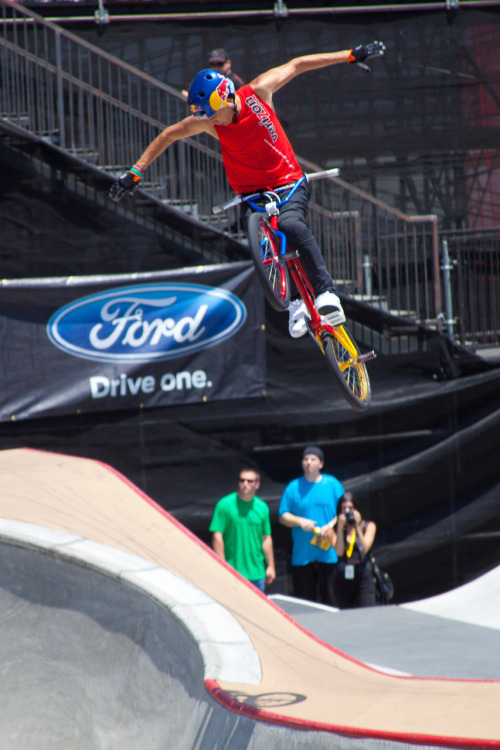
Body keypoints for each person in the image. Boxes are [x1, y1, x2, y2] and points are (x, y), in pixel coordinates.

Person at [109, 41, 386, 338]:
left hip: (289, 183)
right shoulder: (210, 122)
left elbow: (297, 64)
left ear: (227, 100)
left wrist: (348, 56)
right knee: (265, 248)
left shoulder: (259, 91)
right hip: (252, 195)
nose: (212, 124)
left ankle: (326, 293)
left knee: (291, 224)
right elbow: (168, 135)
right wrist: (135, 172)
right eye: (206, 118)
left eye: (214, 116)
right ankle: (295, 303)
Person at [278, 446, 344, 605]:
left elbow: (344, 511)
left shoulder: (332, 484)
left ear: (321, 464)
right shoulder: (293, 487)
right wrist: (300, 522)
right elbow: (282, 516)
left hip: (329, 553)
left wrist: (329, 527)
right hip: (302, 556)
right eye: (305, 459)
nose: (308, 462)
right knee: (306, 603)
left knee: (332, 601)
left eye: (313, 459)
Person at [209, 467, 276, 592]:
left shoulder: (263, 508)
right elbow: (217, 535)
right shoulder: (224, 505)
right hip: (232, 573)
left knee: (255, 610)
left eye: (250, 481)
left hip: (257, 575)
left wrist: (271, 566)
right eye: (242, 480)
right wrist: (222, 566)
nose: (245, 484)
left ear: (257, 484)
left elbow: (266, 538)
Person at [332, 491, 377, 609]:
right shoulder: (334, 529)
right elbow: (340, 551)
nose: (347, 512)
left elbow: (365, 548)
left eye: (351, 508)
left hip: (363, 576)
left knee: (367, 612)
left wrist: (356, 526)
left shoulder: (368, 526)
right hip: (343, 578)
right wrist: (341, 528)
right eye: (343, 509)